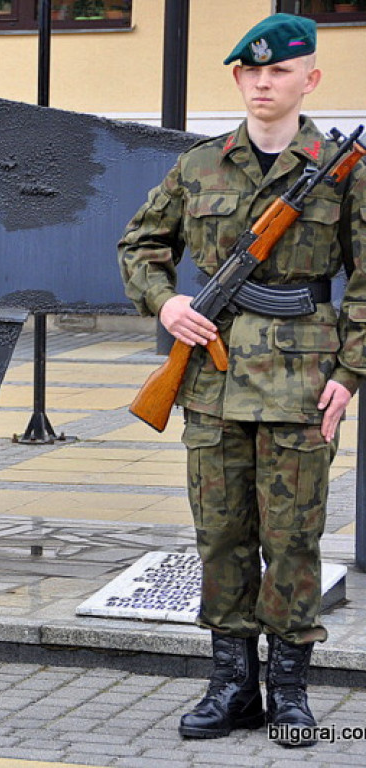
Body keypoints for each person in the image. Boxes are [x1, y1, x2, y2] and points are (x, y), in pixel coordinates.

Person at [118, 14, 365, 748]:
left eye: (280, 71)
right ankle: (232, 688)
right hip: (212, 384)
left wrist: (351, 374)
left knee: (293, 542)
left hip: (302, 383)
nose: (264, 82)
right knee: (221, 538)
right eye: (251, 71)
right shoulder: (199, 166)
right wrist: (168, 302)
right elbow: (139, 244)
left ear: (309, 80)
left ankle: (290, 692)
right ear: (238, 79)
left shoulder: (341, 169)